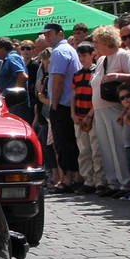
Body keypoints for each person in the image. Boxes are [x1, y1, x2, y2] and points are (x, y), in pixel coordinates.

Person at [90, 26, 130, 197]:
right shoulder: (101, 60)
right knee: (106, 147)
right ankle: (113, 181)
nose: (95, 45)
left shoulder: (123, 55)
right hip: (100, 109)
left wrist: (117, 76)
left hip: (115, 107)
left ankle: (126, 183)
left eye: (97, 42)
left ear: (106, 41)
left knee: (118, 145)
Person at [41, 21, 81, 191]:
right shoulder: (67, 50)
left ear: (60, 33)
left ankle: (67, 180)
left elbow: (58, 80)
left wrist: (54, 103)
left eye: (50, 33)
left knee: (63, 144)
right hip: (68, 103)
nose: (47, 37)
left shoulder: (59, 51)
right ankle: (72, 178)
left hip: (63, 104)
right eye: (46, 34)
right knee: (69, 143)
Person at [72, 41, 102, 192]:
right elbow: (74, 95)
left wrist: (90, 114)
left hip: (92, 115)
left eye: (85, 55)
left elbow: (96, 96)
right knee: (83, 151)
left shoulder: (96, 72)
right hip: (79, 115)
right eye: (80, 56)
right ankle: (87, 180)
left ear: (92, 55)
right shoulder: (77, 75)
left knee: (96, 149)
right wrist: (73, 114)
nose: (82, 58)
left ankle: (99, 181)